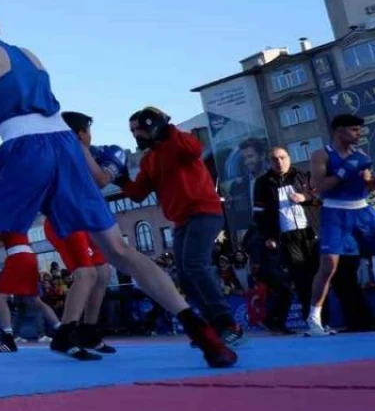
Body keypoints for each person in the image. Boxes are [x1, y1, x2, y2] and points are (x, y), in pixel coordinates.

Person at [0, 2, 236, 380]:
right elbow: (20, 102)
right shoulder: (28, 55)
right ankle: (204, 334)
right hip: (65, 146)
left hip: (26, 149)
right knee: (119, 251)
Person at [117, 107, 244, 346]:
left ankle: (228, 324)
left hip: (204, 211)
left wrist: (167, 130)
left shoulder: (178, 141)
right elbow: (138, 194)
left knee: (195, 265)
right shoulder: (149, 159)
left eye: (139, 129)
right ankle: (214, 326)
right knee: (184, 277)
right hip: (182, 220)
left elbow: (195, 149)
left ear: (153, 126)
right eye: (132, 131)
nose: (135, 135)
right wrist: (121, 177)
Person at [47, 111, 127, 355]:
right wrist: (110, 167)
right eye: (88, 131)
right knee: (86, 273)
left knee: (102, 273)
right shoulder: (65, 152)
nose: (90, 136)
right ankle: (65, 334)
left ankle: (89, 332)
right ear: (80, 133)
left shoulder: (86, 153)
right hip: (66, 217)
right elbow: (102, 180)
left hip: (86, 218)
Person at [305, 114, 375, 336]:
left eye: (359, 129)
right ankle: (314, 319)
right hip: (335, 211)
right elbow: (319, 187)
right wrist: (346, 170)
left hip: (362, 210)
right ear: (339, 131)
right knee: (328, 266)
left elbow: (367, 185)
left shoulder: (361, 155)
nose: (358, 133)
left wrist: (373, 181)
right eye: (354, 129)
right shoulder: (321, 155)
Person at [251, 146, 318, 334]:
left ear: (289, 158)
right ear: (268, 162)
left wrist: (305, 196)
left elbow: (318, 196)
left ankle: (320, 319)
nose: (279, 162)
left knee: (316, 277)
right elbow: (259, 213)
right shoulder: (263, 183)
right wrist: (269, 236)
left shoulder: (303, 175)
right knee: (301, 280)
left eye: (282, 157)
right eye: (274, 159)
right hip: (286, 237)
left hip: (310, 232)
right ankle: (310, 321)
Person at [0, 230, 63, 354]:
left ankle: (8, 339)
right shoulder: (17, 220)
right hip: (30, 257)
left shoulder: (3, 220)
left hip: (18, 257)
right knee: (34, 300)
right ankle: (62, 331)